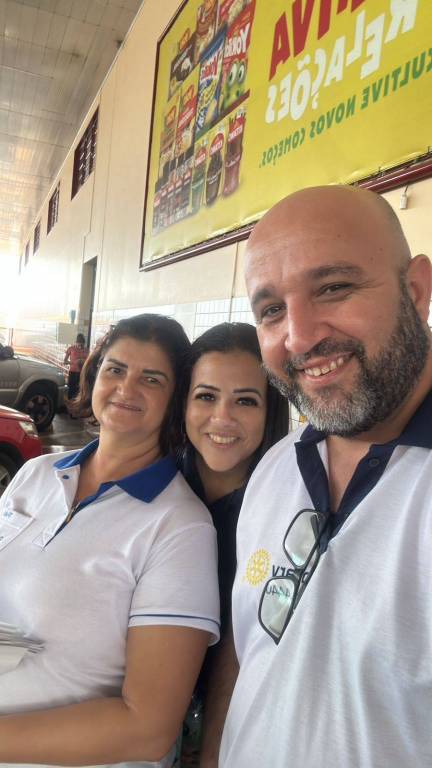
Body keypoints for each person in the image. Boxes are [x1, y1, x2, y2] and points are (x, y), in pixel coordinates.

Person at [218, 185, 432, 767]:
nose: (299, 336)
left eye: (333, 288)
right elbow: (257, 647)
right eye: (271, 310)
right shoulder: (278, 464)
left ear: (416, 291)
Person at [0, 313, 220, 768]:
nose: (126, 387)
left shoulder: (180, 528)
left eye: (152, 379)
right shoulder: (37, 473)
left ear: (175, 399)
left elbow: (148, 729)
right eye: (115, 369)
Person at [178, 322, 288, 764]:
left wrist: (213, 751)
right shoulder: (150, 486)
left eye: (245, 400)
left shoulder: (290, 509)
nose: (222, 418)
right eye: (206, 396)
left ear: (271, 410)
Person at [64, 332, 89, 401]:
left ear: (84, 343)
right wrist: (74, 362)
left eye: (82, 344)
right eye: (79, 344)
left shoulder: (86, 350)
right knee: (71, 389)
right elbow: (65, 361)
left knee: (80, 390)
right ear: (76, 342)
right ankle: (70, 404)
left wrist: (84, 361)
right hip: (72, 372)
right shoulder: (71, 348)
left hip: (82, 373)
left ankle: (78, 405)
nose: (80, 346)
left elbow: (89, 362)